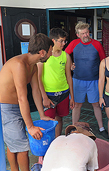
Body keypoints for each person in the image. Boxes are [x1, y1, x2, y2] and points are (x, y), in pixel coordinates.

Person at [0, 33, 54, 171]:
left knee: (15, 144)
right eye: (50, 51)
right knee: (22, 147)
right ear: (42, 52)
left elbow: (35, 91)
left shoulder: (33, 66)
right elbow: (22, 97)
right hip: (7, 107)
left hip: (18, 106)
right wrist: (30, 127)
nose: (51, 54)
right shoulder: (19, 65)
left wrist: (41, 114)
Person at [65, 21, 108, 139]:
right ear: (78, 35)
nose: (86, 35)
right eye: (82, 33)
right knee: (77, 104)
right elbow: (64, 57)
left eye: (87, 32)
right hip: (78, 80)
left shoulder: (97, 44)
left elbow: (103, 60)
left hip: (94, 80)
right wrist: (69, 65)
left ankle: (101, 128)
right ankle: (73, 127)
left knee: (96, 104)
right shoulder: (74, 43)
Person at [37, 28, 75, 137]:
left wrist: (72, 97)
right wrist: (44, 97)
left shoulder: (65, 55)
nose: (64, 43)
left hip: (63, 93)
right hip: (49, 95)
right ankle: (47, 146)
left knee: (59, 118)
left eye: (65, 41)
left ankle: (57, 142)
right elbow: (38, 78)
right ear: (53, 40)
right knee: (48, 122)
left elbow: (69, 76)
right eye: (61, 41)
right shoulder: (43, 55)